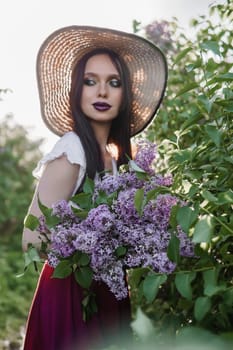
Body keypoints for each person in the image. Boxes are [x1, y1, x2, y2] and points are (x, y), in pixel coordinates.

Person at [22, 25, 167, 350]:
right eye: (91, 81)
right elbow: (32, 240)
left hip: (107, 291)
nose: (102, 91)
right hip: (70, 294)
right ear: (77, 90)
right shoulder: (72, 151)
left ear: (124, 94)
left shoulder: (114, 159)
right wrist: (88, 240)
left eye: (113, 83)